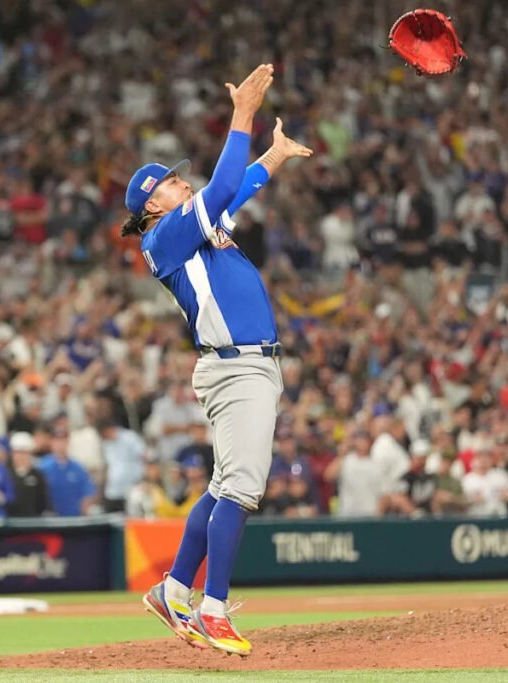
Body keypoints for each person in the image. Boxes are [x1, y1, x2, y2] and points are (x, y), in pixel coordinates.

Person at [132, 64, 312, 656]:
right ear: (151, 204)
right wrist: (243, 115)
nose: (182, 183)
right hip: (236, 366)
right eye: (170, 182)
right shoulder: (165, 235)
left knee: (221, 486)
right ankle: (213, 609)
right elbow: (223, 183)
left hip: (244, 365)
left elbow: (236, 189)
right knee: (242, 488)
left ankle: (173, 591)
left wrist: (274, 157)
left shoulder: (193, 233)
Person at [38, 425, 96, 517]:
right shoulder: (42, 467)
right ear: (51, 442)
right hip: (51, 519)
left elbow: (87, 492)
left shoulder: (77, 468)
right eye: (57, 441)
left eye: (63, 441)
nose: (60, 444)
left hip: (74, 518)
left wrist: (84, 512)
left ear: (68, 442)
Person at [100, 420, 148, 513]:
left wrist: (145, 480)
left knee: (133, 514)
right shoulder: (106, 444)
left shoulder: (130, 438)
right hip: (114, 490)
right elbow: (108, 465)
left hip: (132, 487)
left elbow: (144, 457)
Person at [460, 449, 508, 517]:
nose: (483, 461)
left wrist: (506, 495)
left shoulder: (501, 475)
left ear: (491, 460)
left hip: (499, 516)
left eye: (486, 458)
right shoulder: (467, 479)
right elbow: (460, 501)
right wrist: (472, 499)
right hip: (475, 516)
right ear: (474, 461)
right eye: (480, 458)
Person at [6, 432, 51, 517]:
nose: (21, 456)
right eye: (18, 452)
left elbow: (44, 503)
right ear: (12, 454)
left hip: (32, 521)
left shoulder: (38, 475)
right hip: (10, 521)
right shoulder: (5, 474)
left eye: (24, 452)